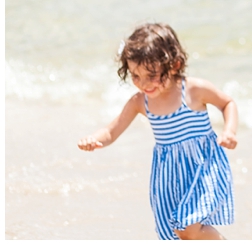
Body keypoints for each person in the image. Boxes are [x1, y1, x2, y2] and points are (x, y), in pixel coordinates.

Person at [77, 23, 238, 240]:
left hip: (203, 165)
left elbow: (227, 103)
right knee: (178, 232)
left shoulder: (193, 90)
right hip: (168, 175)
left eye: (151, 75)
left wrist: (229, 131)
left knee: (187, 227)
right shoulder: (139, 102)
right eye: (135, 75)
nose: (143, 84)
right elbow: (111, 131)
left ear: (174, 65)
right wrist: (94, 140)